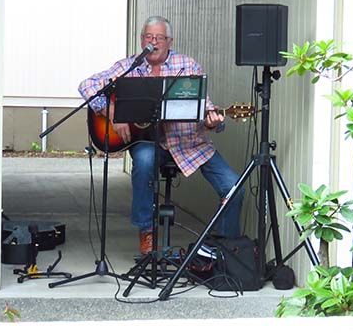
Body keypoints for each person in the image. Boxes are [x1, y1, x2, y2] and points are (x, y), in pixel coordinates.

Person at [79, 16, 244, 255]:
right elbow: (87, 85)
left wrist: (212, 121)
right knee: (144, 160)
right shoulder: (129, 67)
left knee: (233, 187)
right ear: (141, 39)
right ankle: (146, 231)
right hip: (148, 141)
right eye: (148, 37)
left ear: (170, 41)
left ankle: (226, 248)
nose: (153, 42)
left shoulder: (187, 66)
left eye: (159, 38)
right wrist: (113, 113)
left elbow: (203, 105)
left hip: (190, 143)